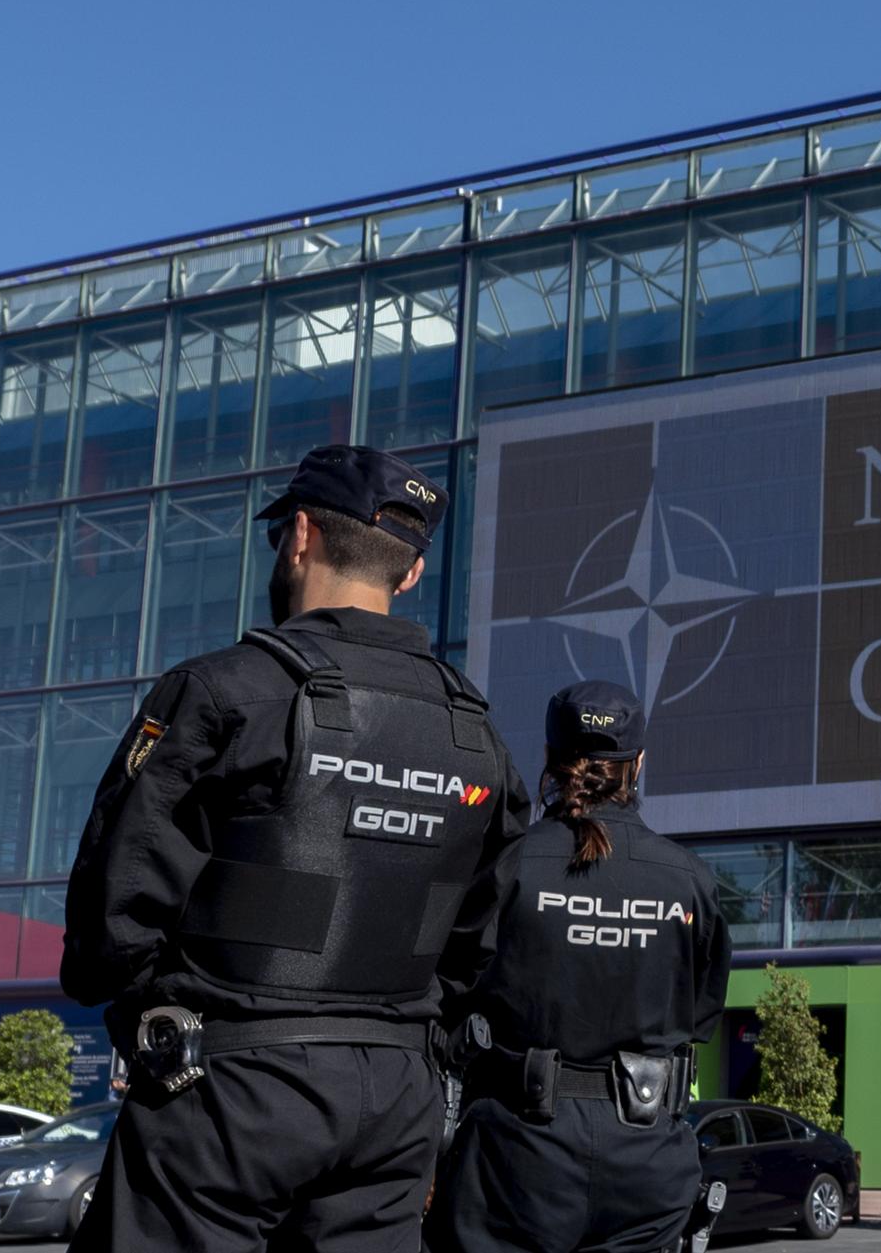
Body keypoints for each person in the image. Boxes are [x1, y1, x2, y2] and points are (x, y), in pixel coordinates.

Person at [61, 445, 530, 1252]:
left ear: (301, 533)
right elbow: (485, 937)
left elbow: (115, 905)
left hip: (227, 1085)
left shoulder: (225, 690)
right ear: (409, 574)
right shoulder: (477, 734)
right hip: (394, 1101)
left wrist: (155, 1013)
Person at [427, 680, 731, 1253]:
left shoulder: (507, 864)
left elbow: (447, 996)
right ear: (636, 765)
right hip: (647, 1163)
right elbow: (699, 1017)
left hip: (514, 1161)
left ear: (549, 757)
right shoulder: (688, 880)